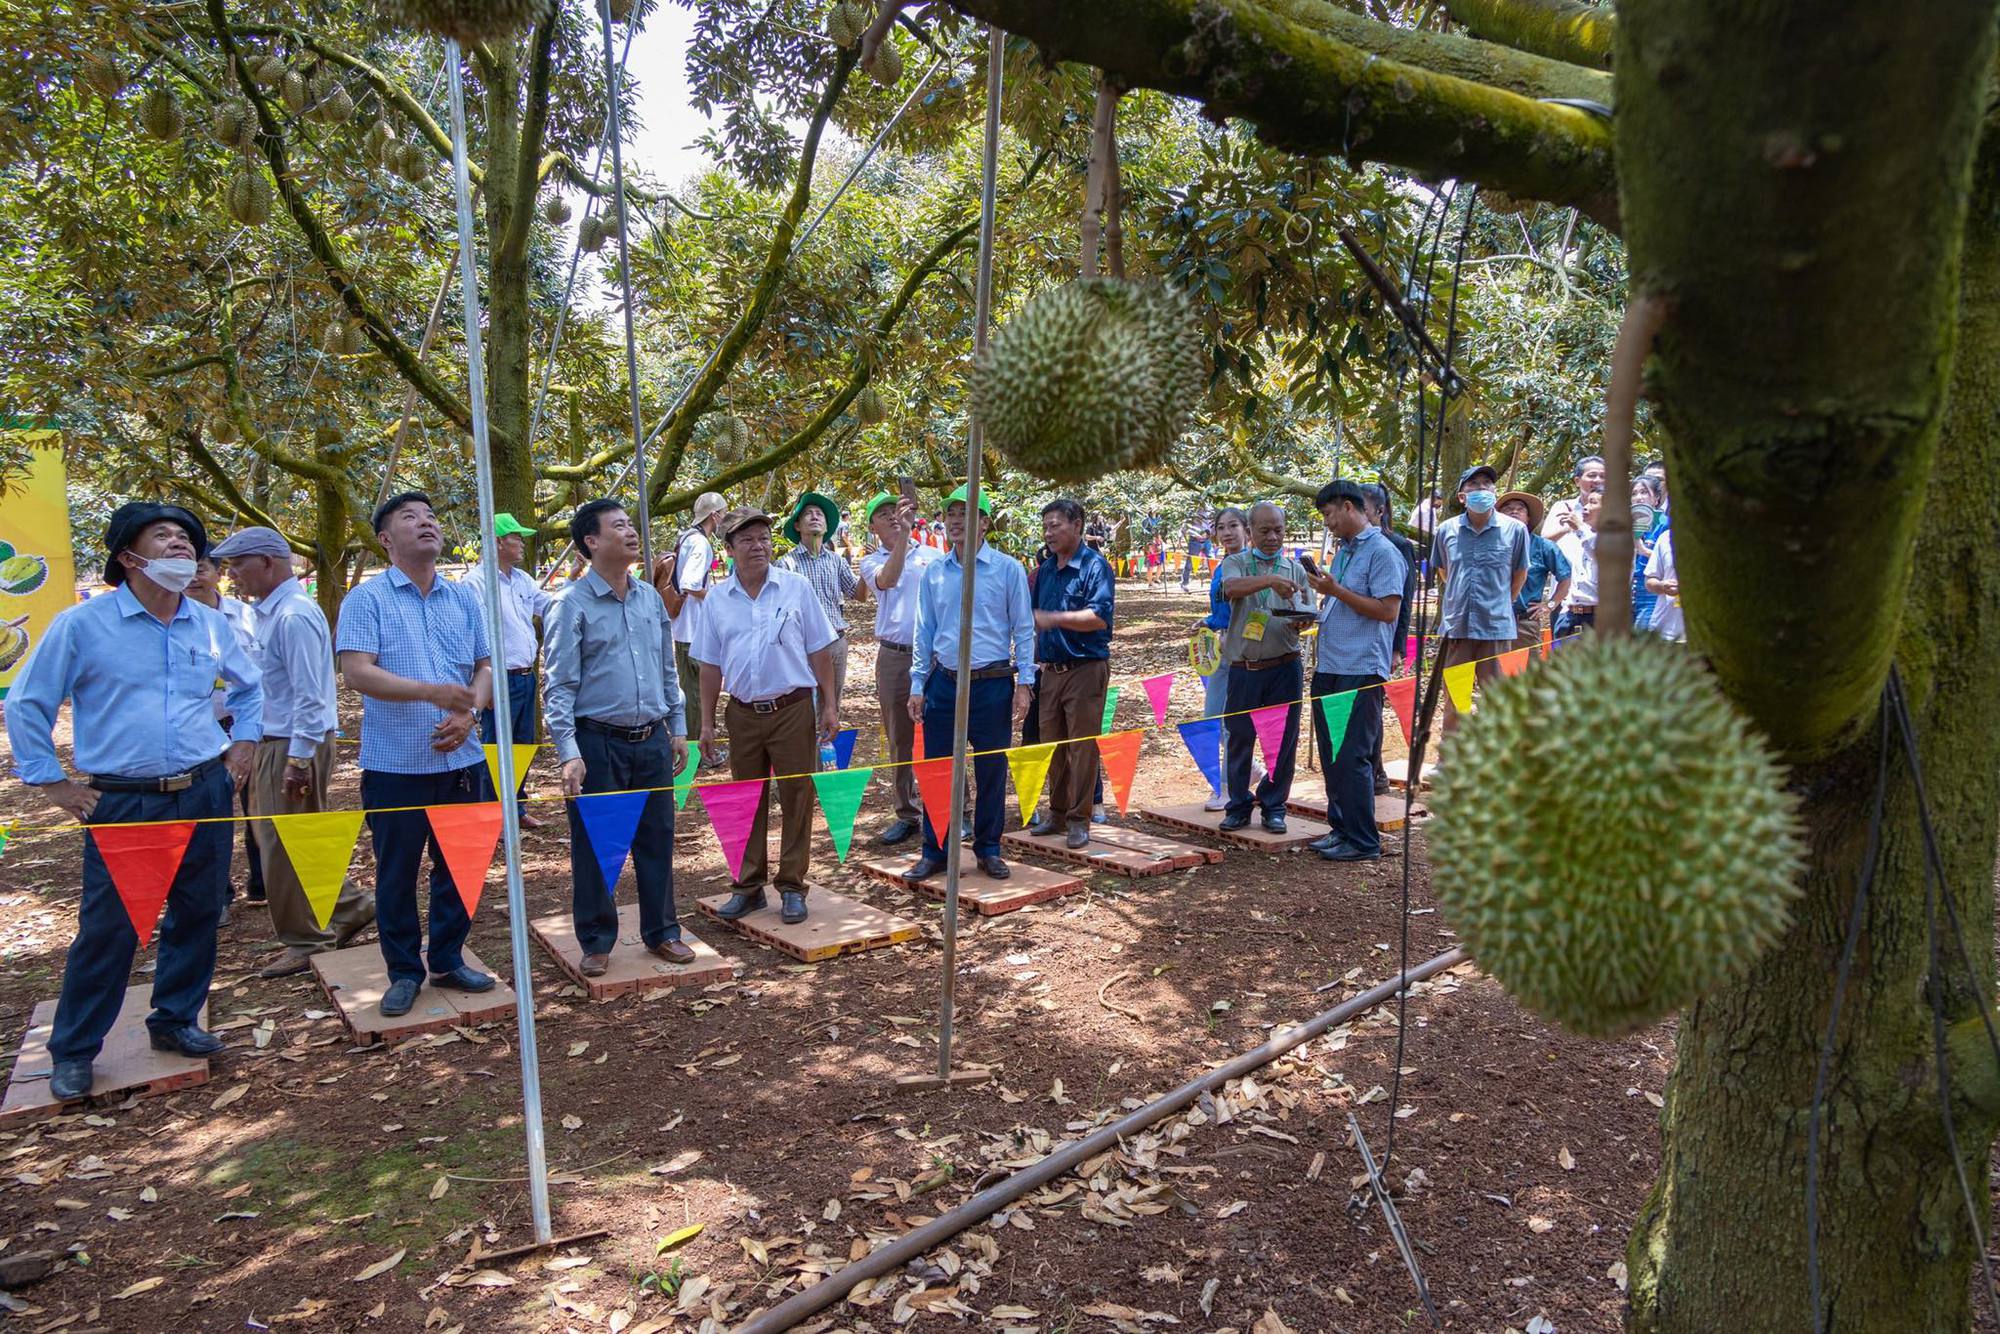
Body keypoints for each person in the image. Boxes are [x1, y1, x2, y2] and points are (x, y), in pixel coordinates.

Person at [5, 503, 261, 1101]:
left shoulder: (211, 625)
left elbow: (251, 690)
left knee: (198, 913)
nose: (181, 546)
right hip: (122, 801)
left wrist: (242, 746)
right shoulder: (82, 625)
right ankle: (73, 1050)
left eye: (187, 538)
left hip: (203, 789)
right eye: (163, 536)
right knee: (110, 927)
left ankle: (175, 1020)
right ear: (129, 556)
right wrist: (54, 784)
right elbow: (27, 703)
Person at [336, 492, 498, 1018]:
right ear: (386, 539)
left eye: (431, 516)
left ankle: (448, 958)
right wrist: (432, 693)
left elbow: (485, 668)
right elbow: (358, 671)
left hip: (462, 759)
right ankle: (404, 971)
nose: (426, 523)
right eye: (411, 517)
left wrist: (470, 711)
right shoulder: (367, 599)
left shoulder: (462, 599)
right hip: (396, 765)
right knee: (397, 873)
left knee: (458, 868)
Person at [210, 526, 374, 978]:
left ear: (266, 562)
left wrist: (299, 759)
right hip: (278, 740)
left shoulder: (293, 616)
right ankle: (347, 907)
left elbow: (310, 695)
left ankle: (307, 937)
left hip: (291, 743)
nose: (231, 577)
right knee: (289, 839)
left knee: (282, 846)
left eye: (237, 566)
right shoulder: (269, 613)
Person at [543, 500, 694, 975]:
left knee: (657, 837)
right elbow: (559, 685)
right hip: (596, 742)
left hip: (651, 738)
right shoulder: (570, 604)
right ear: (591, 541)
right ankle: (595, 938)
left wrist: (678, 727)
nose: (632, 533)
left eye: (632, 524)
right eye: (620, 526)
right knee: (595, 842)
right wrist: (568, 752)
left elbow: (667, 669)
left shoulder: (650, 598)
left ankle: (663, 931)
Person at [693, 508, 839, 926]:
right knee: (745, 799)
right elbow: (708, 665)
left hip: (792, 707)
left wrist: (829, 704)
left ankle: (792, 886)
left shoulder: (795, 588)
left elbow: (819, 650)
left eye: (763, 539)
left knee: (796, 797)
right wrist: (706, 723)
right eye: (747, 540)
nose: (758, 547)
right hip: (742, 713)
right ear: (729, 549)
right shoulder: (718, 599)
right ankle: (748, 886)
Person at [905, 485, 1035, 881]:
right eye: (952, 513)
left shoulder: (1007, 569)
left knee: (992, 767)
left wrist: (1025, 683)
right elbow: (923, 630)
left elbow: (1023, 629)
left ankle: (989, 848)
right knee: (938, 769)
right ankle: (936, 849)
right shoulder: (935, 574)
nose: (957, 520)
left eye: (967, 513)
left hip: (992, 684)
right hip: (943, 684)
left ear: (985, 523)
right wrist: (917, 683)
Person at [1304, 481, 1405, 862]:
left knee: (1353, 756)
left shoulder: (1383, 552)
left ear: (1348, 507)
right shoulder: (1344, 552)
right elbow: (1339, 600)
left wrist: (1336, 592)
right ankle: (1340, 829)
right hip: (1331, 664)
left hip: (1361, 667)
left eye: (1329, 515)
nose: (1327, 523)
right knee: (1332, 754)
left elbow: (1387, 611)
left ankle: (1363, 840)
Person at [1217, 501, 1314, 832]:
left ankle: (1274, 806)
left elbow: (1307, 612)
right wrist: (1269, 580)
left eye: (1279, 530)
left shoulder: (1296, 569)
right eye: (1265, 531)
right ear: (1249, 531)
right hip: (1244, 668)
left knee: (1282, 740)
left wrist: (1301, 621)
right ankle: (1239, 805)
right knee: (1239, 737)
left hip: (1285, 666)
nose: (1273, 537)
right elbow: (1230, 589)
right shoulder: (1236, 563)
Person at [1027, 499, 1115, 849]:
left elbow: (1099, 616)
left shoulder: (1096, 567)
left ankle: (1080, 819)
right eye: (1045, 526)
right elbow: (1029, 615)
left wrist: (1055, 618)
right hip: (1049, 671)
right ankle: (1058, 812)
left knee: (1081, 746)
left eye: (1055, 525)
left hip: (1085, 668)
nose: (1049, 533)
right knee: (1053, 745)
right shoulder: (1046, 570)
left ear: (1077, 525)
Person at [858, 491, 940, 847]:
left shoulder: (935, 557)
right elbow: (888, 580)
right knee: (899, 738)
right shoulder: (869, 562)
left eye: (897, 511)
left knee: (943, 734)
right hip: (894, 657)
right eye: (884, 514)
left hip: (937, 657)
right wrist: (905, 537)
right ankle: (907, 813)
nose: (893, 517)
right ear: (872, 525)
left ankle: (955, 809)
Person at [187, 554, 264, 908]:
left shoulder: (246, 615)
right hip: (199, 727)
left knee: (257, 804)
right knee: (209, 810)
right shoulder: (171, 618)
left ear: (219, 573)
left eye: (201, 568)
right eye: (186, 570)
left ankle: (262, 882)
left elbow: (258, 673)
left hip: (244, 723)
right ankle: (217, 896)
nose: (193, 577)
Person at [1432, 465, 1529, 734]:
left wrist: (1500, 603)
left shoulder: (1515, 530)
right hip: (1457, 627)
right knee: (1456, 697)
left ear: (1494, 493)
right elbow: (1444, 571)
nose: (1481, 489)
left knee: (1495, 698)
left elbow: (1520, 573)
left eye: (1487, 483)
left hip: (1496, 627)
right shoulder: (1446, 530)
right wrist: (1460, 598)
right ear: (1462, 497)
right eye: (1473, 485)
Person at [478, 512, 551, 827]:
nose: (522, 542)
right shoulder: (477, 582)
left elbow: (548, 604)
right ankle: (491, 814)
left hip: (525, 675)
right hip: (499, 679)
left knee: (522, 743)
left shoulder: (522, 580)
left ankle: (516, 808)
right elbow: (476, 635)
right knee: (495, 747)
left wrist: (576, 583)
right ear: (497, 542)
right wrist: (486, 682)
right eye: (515, 537)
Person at [658, 492, 726, 768]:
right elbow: (689, 583)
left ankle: (688, 747)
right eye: (722, 513)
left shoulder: (686, 537)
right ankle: (700, 752)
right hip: (694, 627)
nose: (723, 519)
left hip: (682, 626)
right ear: (714, 516)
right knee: (698, 693)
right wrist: (718, 597)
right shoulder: (700, 543)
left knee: (690, 689)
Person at [776, 491, 860, 706]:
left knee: (832, 705)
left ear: (826, 525)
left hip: (836, 641)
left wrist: (868, 569)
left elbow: (858, 594)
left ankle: (827, 741)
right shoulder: (786, 564)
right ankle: (807, 741)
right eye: (808, 514)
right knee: (805, 706)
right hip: (803, 645)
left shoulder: (836, 561)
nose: (815, 517)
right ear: (797, 525)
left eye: (819, 514)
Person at [1364, 484, 1418, 795]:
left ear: (1379, 512)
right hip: (1354, 642)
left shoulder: (1397, 546)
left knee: (1372, 706)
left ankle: (1377, 773)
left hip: (1383, 638)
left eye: (1362, 509)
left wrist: (1398, 646)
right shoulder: (1349, 544)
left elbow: (1405, 600)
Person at [1197, 507, 1250, 810]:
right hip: (1220, 650)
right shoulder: (1221, 567)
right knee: (1212, 718)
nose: (1227, 532)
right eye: (1221, 527)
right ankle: (1251, 770)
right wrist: (1206, 622)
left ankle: (1227, 787)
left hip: (1244, 651)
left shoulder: (1250, 565)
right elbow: (1221, 612)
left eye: (1233, 526)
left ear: (1246, 529)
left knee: (1233, 722)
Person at [1498, 492, 1571, 653]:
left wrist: (1550, 605)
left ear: (1528, 518)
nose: (1514, 512)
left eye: (1520, 509)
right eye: (1508, 509)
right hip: (1490, 620)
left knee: (1526, 672)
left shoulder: (1543, 546)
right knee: (1489, 672)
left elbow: (1566, 577)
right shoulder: (1489, 543)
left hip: (1524, 622)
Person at [1552, 489, 1601, 638]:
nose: (1585, 507)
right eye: (1586, 502)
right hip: (1570, 616)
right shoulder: (1579, 538)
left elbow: (1602, 556)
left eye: (1593, 502)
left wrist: (1580, 527)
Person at [1540, 456, 1606, 539]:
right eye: (1592, 475)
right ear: (1577, 481)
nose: (1598, 480)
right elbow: (1544, 542)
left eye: (1603, 476)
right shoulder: (1562, 507)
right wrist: (1567, 528)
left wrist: (1579, 526)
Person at [1645, 527, 1686, 642]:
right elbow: (1649, 581)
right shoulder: (1666, 538)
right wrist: (1662, 586)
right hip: (1666, 631)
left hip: (1703, 634)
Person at [1180, 506, 1213, 593]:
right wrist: (1180, 538)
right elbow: (1185, 526)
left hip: (1207, 540)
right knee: (1190, 562)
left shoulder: (1209, 512)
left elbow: (1212, 525)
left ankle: (1216, 582)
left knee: (1212, 560)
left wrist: (1210, 534)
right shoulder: (1192, 513)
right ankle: (1185, 583)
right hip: (1195, 540)